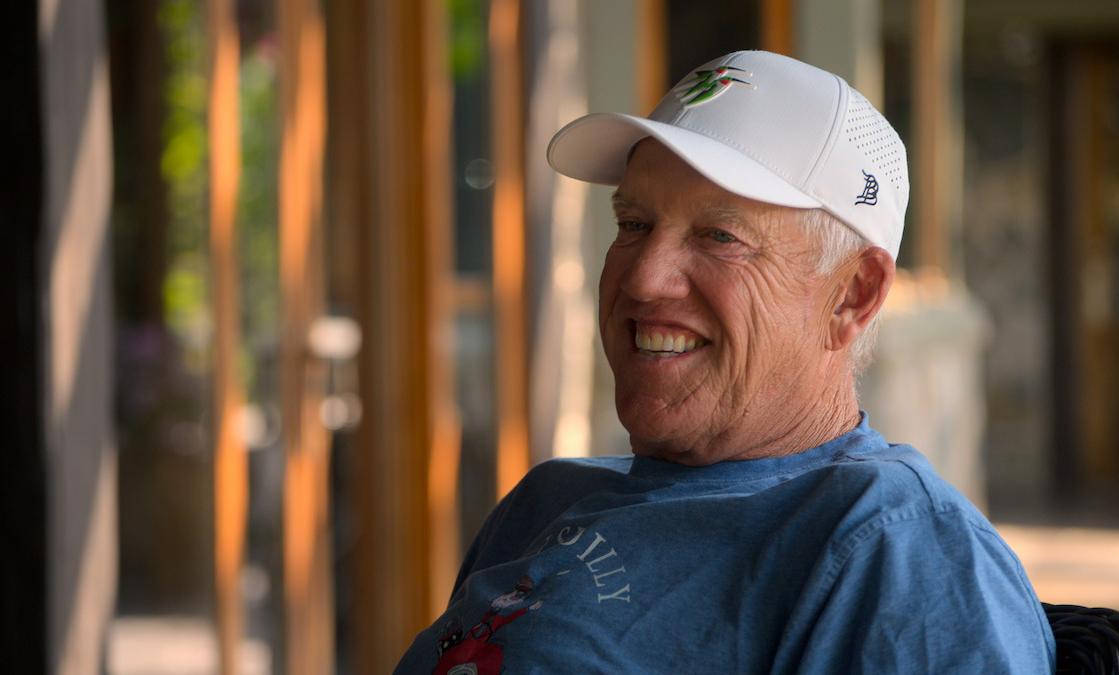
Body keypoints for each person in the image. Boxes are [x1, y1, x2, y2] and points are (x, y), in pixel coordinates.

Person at [393, 50, 1055, 673]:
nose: (645, 278)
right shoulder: (545, 500)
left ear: (851, 295)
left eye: (720, 235)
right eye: (634, 224)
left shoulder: (894, 545)